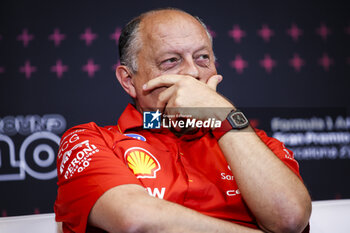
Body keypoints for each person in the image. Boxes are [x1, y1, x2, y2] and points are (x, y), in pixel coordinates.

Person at [54, 8, 311, 233]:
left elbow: (290, 220)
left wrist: (223, 115)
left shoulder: (254, 144)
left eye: (203, 58)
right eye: (171, 61)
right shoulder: (91, 141)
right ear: (129, 81)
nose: (192, 73)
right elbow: (137, 221)